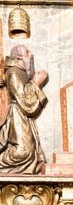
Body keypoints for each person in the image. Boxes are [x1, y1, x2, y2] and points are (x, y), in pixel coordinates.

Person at [0, 45, 47, 174]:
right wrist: (36, 83)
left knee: (29, 150)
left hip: (21, 114)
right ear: (19, 57)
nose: (30, 55)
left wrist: (32, 81)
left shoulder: (19, 71)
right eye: (27, 52)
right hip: (17, 114)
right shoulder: (14, 72)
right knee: (23, 151)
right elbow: (23, 99)